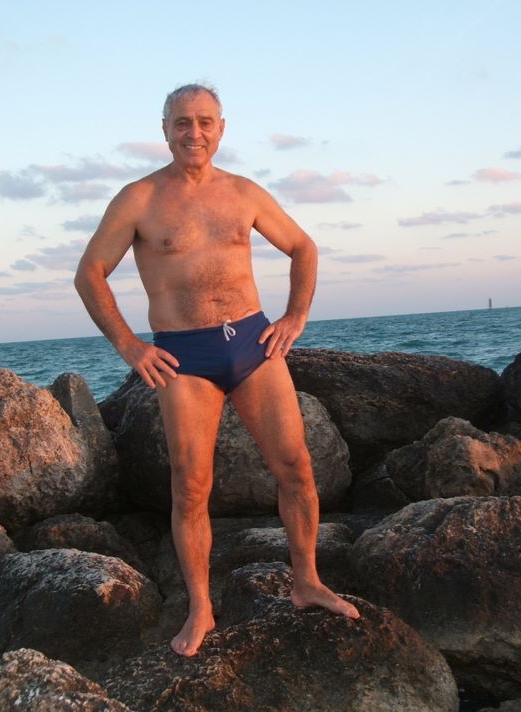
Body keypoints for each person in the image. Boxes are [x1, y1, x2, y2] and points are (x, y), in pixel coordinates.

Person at [74, 83, 359, 657]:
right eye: (182, 122)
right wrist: (131, 347)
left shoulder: (244, 193)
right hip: (185, 356)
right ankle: (201, 608)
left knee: (297, 466)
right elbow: (89, 274)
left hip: (253, 344)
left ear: (221, 129)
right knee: (191, 485)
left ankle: (307, 581)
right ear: (165, 130)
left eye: (205, 122)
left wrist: (295, 317)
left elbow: (303, 248)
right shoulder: (138, 199)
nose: (194, 132)